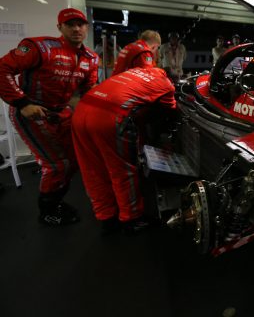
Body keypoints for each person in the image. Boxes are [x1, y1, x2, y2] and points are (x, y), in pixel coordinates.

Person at [0, 8, 99, 225]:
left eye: (80, 24)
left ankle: (56, 201)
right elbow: (2, 68)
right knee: (57, 165)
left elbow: (88, 91)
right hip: (31, 112)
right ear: (59, 27)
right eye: (70, 24)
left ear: (86, 27)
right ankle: (48, 211)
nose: (76, 29)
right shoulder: (40, 47)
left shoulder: (91, 58)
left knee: (73, 161)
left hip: (61, 112)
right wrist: (22, 103)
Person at [71, 67, 177, 234]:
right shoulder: (166, 84)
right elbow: (170, 110)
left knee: (92, 169)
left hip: (81, 110)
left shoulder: (134, 72)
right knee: (122, 170)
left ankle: (106, 217)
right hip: (108, 117)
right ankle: (131, 219)